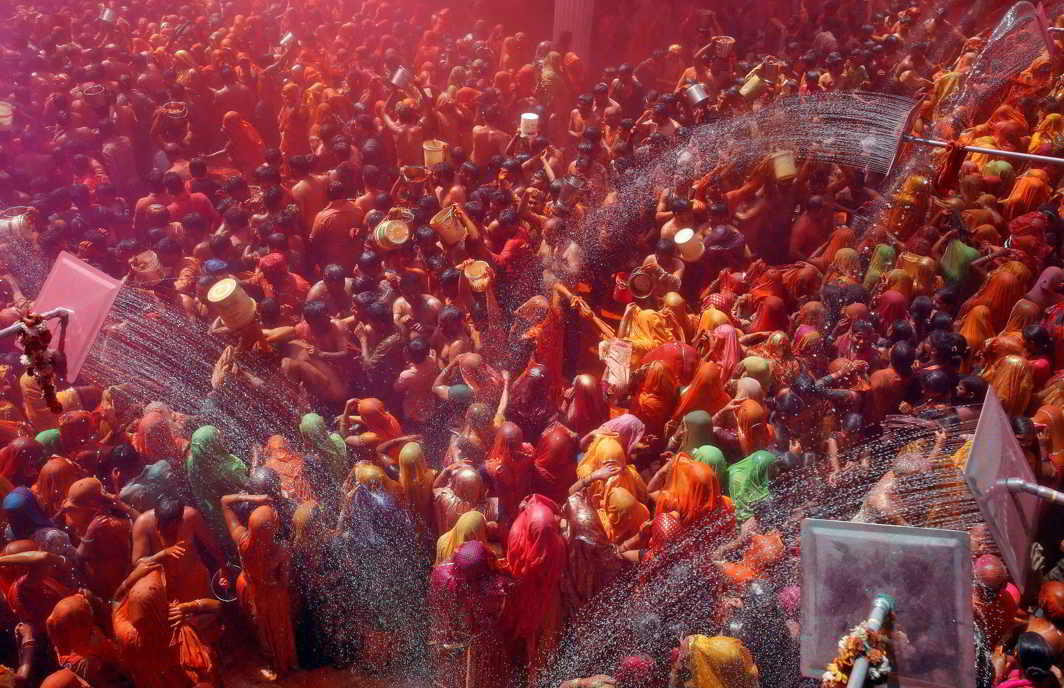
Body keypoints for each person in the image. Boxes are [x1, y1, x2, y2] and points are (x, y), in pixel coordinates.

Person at [221, 493, 297, 679]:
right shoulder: (281, 551)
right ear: (273, 528)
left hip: (249, 589)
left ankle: (269, 662)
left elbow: (224, 502)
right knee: (278, 630)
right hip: (273, 596)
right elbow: (284, 583)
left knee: (260, 628)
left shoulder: (241, 540)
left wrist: (256, 499)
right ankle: (284, 666)